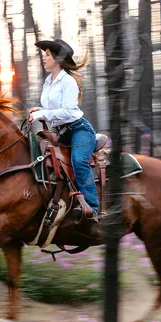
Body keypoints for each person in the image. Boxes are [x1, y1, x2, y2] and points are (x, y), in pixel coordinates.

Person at [27, 39, 99, 221]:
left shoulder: (68, 82)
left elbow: (67, 111)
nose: (44, 58)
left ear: (57, 59)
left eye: (48, 55)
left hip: (79, 130)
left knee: (78, 161)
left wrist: (43, 114)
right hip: (61, 133)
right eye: (44, 55)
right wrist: (39, 111)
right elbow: (52, 110)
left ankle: (93, 209)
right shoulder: (48, 81)